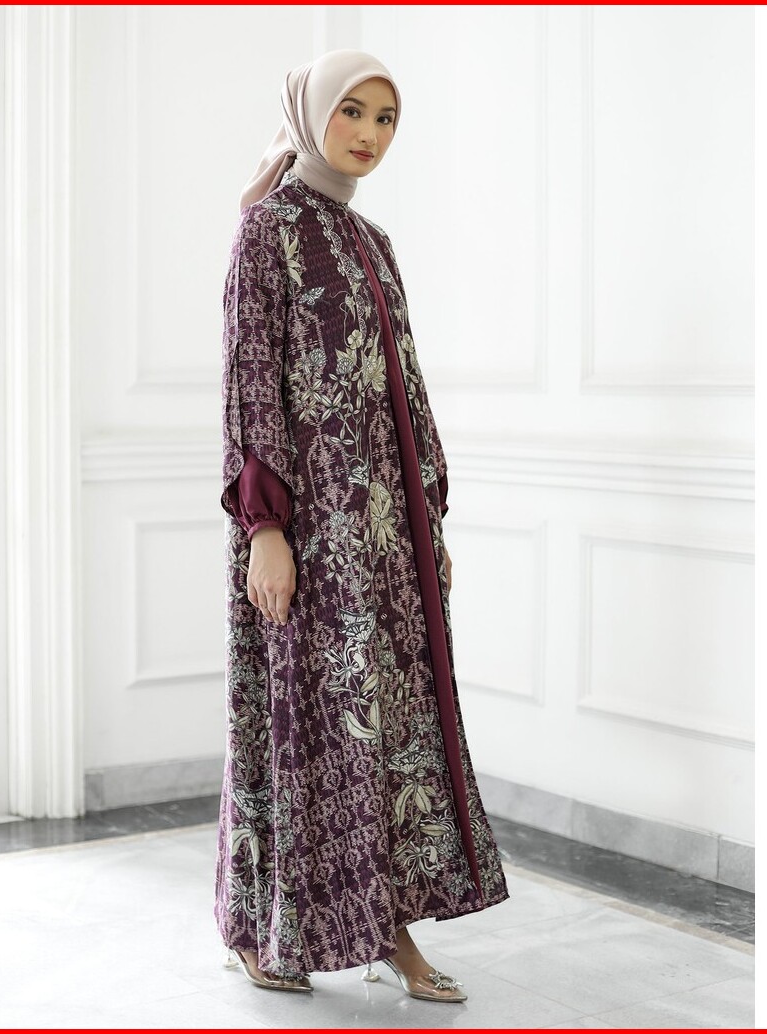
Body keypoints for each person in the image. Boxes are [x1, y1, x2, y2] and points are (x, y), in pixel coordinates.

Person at [214, 49, 509, 1003]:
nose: (369, 135)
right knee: (297, 729)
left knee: (385, 731)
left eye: (386, 118)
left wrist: (431, 522)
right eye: (352, 111)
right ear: (311, 113)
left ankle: (388, 927)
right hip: (307, 536)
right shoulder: (266, 231)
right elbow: (251, 381)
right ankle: (265, 927)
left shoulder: (371, 240)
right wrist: (265, 529)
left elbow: (405, 390)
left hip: (385, 539)